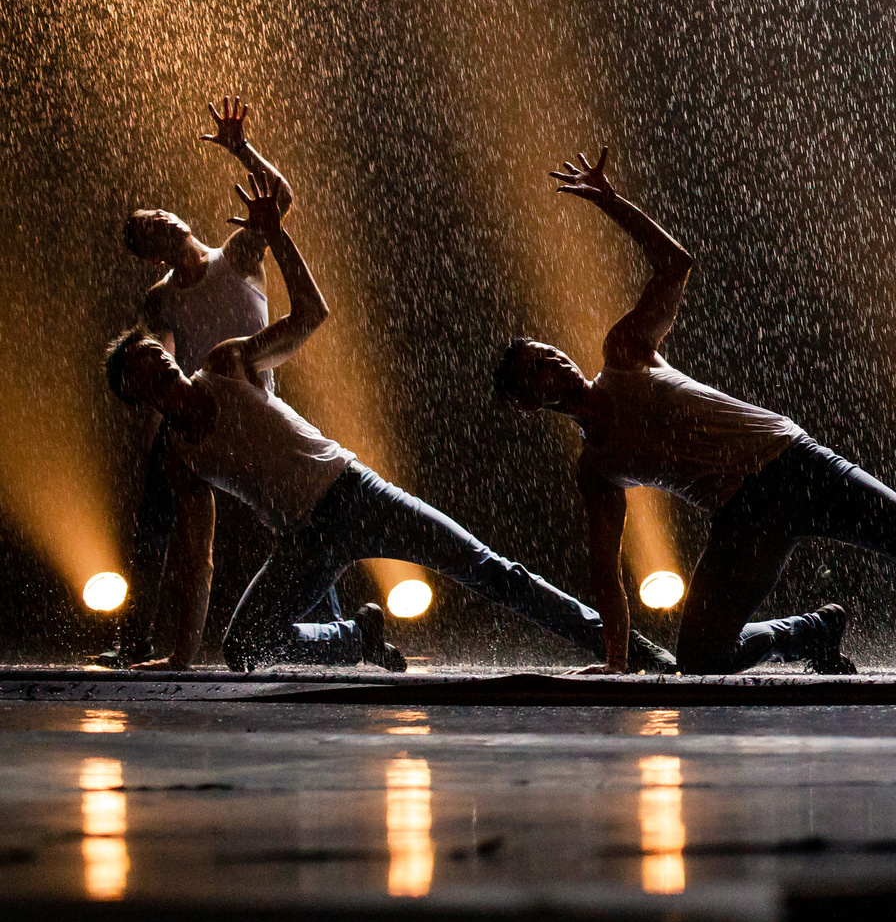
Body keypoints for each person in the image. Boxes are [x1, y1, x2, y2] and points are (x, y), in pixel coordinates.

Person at [493, 149, 896, 676]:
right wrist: (613, 661)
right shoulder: (596, 467)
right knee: (700, 659)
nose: (554, 363)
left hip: (794, 464)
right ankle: (809, 631)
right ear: (528, 402)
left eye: (549, 353)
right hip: (742, 517)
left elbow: (675, 264)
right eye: (537, 371)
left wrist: (611, 202)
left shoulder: (624, 353)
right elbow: (605, 573)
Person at [102, 174, 666, 674]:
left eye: (154, 354)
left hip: (355, 493)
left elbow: (311, 315)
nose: (158, 362)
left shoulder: (225, 364)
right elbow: (198, 559)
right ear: (136, 393)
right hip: (303, 540)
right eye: (143, 367)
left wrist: (276, 233)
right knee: (243, 648)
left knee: (489, 570)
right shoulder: (181, 458)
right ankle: (355, 637)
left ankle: (628, 648)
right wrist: (180, 656)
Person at [108, 95, 336, 668]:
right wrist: (157, 434)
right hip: (200, 409)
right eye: (146, 230)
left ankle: (340, 626)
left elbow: (280, 200)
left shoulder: (235, 254)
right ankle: (137, 640)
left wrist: (241, 149)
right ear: (149, 255)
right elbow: (158, 360)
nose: (158, 222)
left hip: (256, 407)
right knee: (156, 515)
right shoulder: (160, 298)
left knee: (297, 515)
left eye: (156, 214)